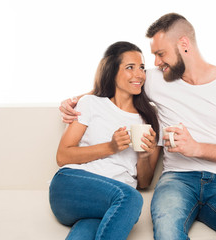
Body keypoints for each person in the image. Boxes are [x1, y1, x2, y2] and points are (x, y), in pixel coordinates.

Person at [59, 13, 216, 240]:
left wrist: (195, 148)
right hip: (177, 178)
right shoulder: (157, 79)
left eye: (161, 54)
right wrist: (75, 100)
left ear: (183, 45)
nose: (156, 63)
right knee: (167, 232)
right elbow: (117, 83)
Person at [50, 41, 161, 240]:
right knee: (130, 198)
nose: (139, 74)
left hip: (108, 201)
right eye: (130, 67)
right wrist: (110, 147)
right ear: (112, 70)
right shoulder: (90, 103)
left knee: (84, 233)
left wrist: (144, 156)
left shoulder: (150, 116)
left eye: (142, 68)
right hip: (72, 186)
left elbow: (144, 182)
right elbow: (63, 156)